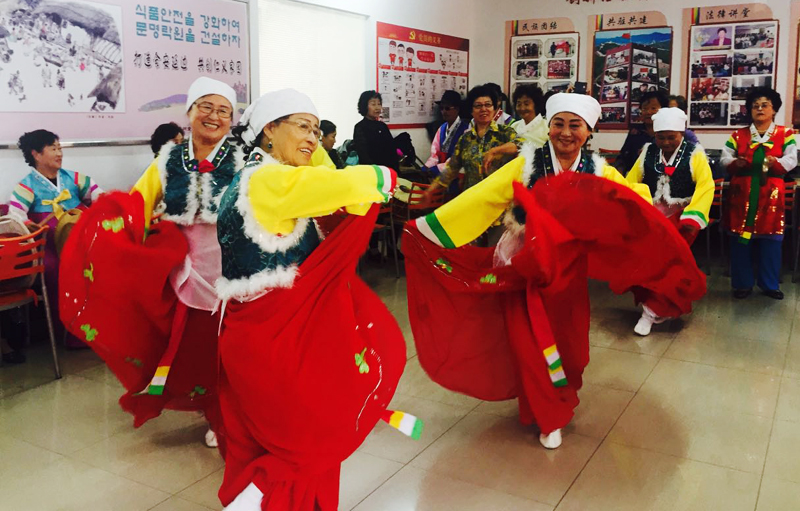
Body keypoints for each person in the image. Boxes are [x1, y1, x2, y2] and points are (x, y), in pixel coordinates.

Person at [402, 93, 704, 450]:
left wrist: (667, 232)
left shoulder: (599, 171)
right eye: (558, 123)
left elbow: (631, 204)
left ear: (588, 131)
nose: (565, 132)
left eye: (575, 125)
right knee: (530, 343)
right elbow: (482, 197)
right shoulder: (527, 163)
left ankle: (557, 398)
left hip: (567, 272)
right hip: (522, 266)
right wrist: (428, 228)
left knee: (569, 347)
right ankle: (547, 415)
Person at [215, 89, 408, 511]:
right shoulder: (270, 179)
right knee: (307, 433)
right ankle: (257, 498)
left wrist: (312, 146)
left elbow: (323, 172)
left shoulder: (265, 175)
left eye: (318, 130)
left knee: (277, 435)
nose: (313, 139)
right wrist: (390, 179)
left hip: (263, 333)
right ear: (268, 128)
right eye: (302, 125)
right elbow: (348, 181)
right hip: (277, 339)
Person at [58, 77, 240, 448]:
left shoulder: (245, 158)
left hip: (236, 267)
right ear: (189, 112)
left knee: (235, 345)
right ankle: (212, 409)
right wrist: (115, 239)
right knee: (198, 347)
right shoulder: (169, 159)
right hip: (186, 270)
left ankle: (235, 411)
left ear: (231, 120)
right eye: (205, 106)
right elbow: (138, 204)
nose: (214, 116)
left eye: (223, 110)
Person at [8, 129, 103, 349]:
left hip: (80, 239)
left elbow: (99, 195)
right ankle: (72, 333)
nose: (59, 153)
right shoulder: (27, 185)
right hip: (50, 245)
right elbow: (15, 216)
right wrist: (28, 224)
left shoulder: (73, 178)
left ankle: (102, 326)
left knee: (100, 264)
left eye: (60, 148)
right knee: (55, 270)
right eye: (53, 148)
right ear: (36, 155)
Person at [626, 107, 714, 334]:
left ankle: (650, 313)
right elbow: (631, 180)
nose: (665, 142)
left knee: (670, 266)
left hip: (683, 218)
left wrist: (694, 215)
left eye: (671, 137)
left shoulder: (695, 153)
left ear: (682, 134)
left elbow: (706, 185)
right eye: (660, 137)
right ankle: (656, 308)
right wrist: (629, 206)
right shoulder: (648, 151)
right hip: (654, 217)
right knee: (649, 265)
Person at [720, 87, 797, 299]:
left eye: (764, 105)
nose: (759, 109)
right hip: (742, 193)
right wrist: (737, 162)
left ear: (774, 110)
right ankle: (742, 284)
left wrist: (777, 162)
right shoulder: (738, 135)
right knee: (739, 239)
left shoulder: (786, 134)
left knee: (771, 240)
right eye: (755, 106)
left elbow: (792, 159)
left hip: (771, 192)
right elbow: (724, 158)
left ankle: (770, 285)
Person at [425, 84, 520, 197]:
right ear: (471, 111)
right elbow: (451, 168)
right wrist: (430, 190)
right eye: (478, 106)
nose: (483, 109)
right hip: (471, 198)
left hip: (497, 198)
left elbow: (522, 144)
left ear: (494, 109)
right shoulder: (465, 139)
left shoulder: (505, 132)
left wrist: (495, 151)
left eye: (488, 105)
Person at [615, 91, 699, 175]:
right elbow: (623, 159)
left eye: (653, 108)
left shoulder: (678, 132)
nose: (648, 112)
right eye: (644, 109)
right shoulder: (635, 132)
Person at [423, 90, 469, 176]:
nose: (444, 111)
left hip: (458, 174)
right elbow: (435, 154)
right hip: (442, 173)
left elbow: (458, 159)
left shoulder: (466, 130)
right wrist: (426, 167)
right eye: (441, 108)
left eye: (447, 108)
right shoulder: (442, 129)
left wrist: (437, 169)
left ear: (457, 109)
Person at [352, 90, 399, 170]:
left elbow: (392, 150)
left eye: (379, 104)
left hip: (388, 170)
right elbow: (363, 155)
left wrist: (395, 170)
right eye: (373, 104)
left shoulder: (383, 126)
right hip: (372, 172)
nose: (377, 107)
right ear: (364, 106)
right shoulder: (360, 127)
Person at [510, 83, 548, 148]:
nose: (522, 108)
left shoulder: (547, 127)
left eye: (526, 104)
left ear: (536, 105)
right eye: (519, 104)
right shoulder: (513, 127)